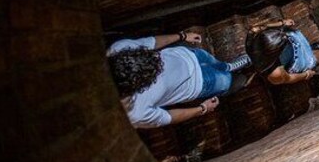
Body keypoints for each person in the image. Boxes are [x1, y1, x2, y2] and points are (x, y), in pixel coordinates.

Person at [107, 31, 251, 128]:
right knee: (227, 81)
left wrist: (181, 36)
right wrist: (202, 108)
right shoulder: (134, 114)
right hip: (199, 84)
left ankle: (228, 66)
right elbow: (168, 117)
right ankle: (240, 74)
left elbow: (152, 43)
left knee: (218, 64)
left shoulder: (119, 48)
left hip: (189, 54)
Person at [245, 19, 319, 87]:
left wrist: (281, 23)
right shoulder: (275, 73)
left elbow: (259, 27)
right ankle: (310, 50)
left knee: (293, 38)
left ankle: (309, 48)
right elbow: (289, 78)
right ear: (275, 52)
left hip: (292, 45)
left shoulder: (253, 35)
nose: (285, 35)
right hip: (296, 59)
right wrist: (306, 74)